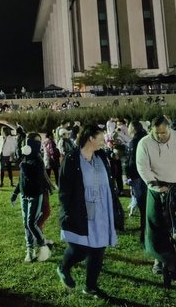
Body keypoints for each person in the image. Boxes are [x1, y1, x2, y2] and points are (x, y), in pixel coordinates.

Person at [56, 124, 123, 300]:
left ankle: (90, 287)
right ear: (91, 138)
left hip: (102, 206)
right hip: (81, 207)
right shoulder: (71, 159)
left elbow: (110, 179)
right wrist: (68, 211)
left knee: (98, 248)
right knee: (81, 247)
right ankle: (63, 266)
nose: (104, 141)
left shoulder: (101, 155)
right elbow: (64, 190)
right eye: (101, 138)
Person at [136, 115, 176, 279]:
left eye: (164, 133)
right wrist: (154, 184)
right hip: (158, 188)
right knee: (157, 225)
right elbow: (142, 166)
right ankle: (160, 259)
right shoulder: (144, 143)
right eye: (157, 133)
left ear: (169, 128)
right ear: (151, 129)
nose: (161, 136)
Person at [10, 138, 52, 263]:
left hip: (34, 196)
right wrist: (15, 193)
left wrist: (23, 165)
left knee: (31, 223)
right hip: (24, 196)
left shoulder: (38, 163)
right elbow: (21, 180)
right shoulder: (25, 161)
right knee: (25, 224)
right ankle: (30, 250)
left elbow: (34, 178)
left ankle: (43, 246)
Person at [124, 121, 148, 246]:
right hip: (147, 175)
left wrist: (128, 173)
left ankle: (144, 233)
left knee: (142, 204)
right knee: (146, 205)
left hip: (138, 176)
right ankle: (145, 230)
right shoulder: (147, 138)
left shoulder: (135, 141)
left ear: (132, 128)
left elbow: (132, 160)